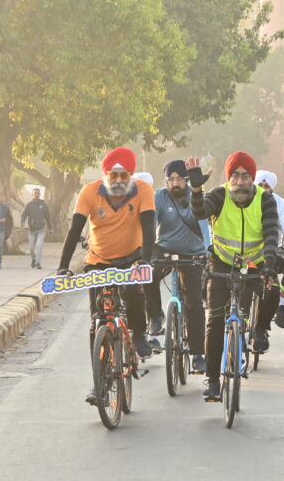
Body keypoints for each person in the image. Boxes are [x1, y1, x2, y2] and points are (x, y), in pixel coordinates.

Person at [56, 147, 156, 404]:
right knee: (97, 319)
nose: (120, 181)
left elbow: (148, 229)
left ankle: (139, 333)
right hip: (98, 261)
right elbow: (74, 229)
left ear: (131, 175)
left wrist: (144, 262)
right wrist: (63, 267)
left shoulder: (143, 191)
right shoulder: (89, 192)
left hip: (131, 257)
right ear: (106, 174)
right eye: (114, 175)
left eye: (125, 176)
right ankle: (98, 383)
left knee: (134, 292)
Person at [192, 151, 281, 402]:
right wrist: (197, 190)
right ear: (228, 177)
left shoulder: (266, 199)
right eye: (235, 175)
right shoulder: (219, 194)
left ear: (252, 179)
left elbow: (272, 233)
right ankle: (211, 380)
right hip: (221, 262)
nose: (240, 182)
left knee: (272, 290)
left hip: (255, 261)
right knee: (216, 321)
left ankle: (260, 330)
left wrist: (269, 265)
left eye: (245, 176)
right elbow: (199, 212)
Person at [142, 160, 211, 374]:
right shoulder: (159, 197)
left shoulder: (195, 196)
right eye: (171, 179)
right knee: (147, 275)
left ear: (187, 180)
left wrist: (208, 252)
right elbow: (152, 225)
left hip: (192, 252)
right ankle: (155, 317)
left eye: (180, 178)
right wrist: (145, 252)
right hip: (163, 248)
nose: (175, 183)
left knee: (194, 303)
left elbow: (203, 224)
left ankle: (198, 354)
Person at [254, 170, 284, 332]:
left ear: (272, 188)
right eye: (259, 185)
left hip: (274, 249)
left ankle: (280, 305)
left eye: (266, 186)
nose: (263, 188)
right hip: (247, 250)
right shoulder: (244, 200)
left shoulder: (279, 203)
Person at [20, 187, 52, 269]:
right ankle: (34, 259)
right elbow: (24, 214)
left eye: (38, 193)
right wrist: (22, 222)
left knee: (39, 245)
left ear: (40, 194)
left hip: (41, 229)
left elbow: (48, 217)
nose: (36, 194)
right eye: (35, 193)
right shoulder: (29, 205)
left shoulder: (43, 205)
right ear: (32, 195)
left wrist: (50, 228)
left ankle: (38, 263)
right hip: (31, 230)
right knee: (31, 249)